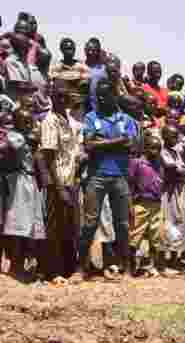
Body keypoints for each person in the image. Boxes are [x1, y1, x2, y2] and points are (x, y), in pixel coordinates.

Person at [77, 78, 138, 281]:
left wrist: (102, 142)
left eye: (106, 95)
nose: (102, 99)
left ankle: (126, 267)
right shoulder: (90, 117)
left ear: (114, 95)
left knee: (122, 224)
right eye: (98, 96)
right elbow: (89, 145)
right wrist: (117, 141)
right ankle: (81, 268)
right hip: (97, 176)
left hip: (120, 176)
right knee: (90, 223)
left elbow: (131, 145)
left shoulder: (125, 119)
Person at [39, 79, 82, 282]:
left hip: (71, 181)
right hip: (58, 184)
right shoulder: (50, 121)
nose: (62, 97)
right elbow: (47, 159)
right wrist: (59, 189)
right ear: (51, 96)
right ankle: (53, 272)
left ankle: (68, 269)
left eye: (65, 94)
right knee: (55, 229)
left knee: (69, 229)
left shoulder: (71, 121)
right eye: (58, 94)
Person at [1, 108, 46, 280]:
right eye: (25, 121)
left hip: (29, 181)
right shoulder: (15, 136)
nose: (29, 124)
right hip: (19, 181)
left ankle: (24, 263)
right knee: (18, 223)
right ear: (16, 121)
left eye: (29, 121)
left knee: (30, 223)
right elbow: (13, 145)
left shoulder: (26, 135)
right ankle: (15, 264)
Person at [126, 130, 166, 276]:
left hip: (156, 203)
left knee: (156, 236)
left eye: (158, 149)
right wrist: (130, 204)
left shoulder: (159, 163)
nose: (155, 151)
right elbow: (130, 184)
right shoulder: (137, 163)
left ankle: (152, 266)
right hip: (140, 204)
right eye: (152, 148)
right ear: (145, 148)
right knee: (134, 236)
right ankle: (130, 267)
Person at [159, 124, 185, 272]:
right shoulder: (162, 152)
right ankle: (164, 260)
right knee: (169, 223)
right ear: (165, 137)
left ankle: (174, 258)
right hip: (168, 192)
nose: (176, 139)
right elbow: (175, 169)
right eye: (173, 136)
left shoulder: (175, 152)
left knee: (180, 222)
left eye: (177, 136)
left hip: (179, 190)